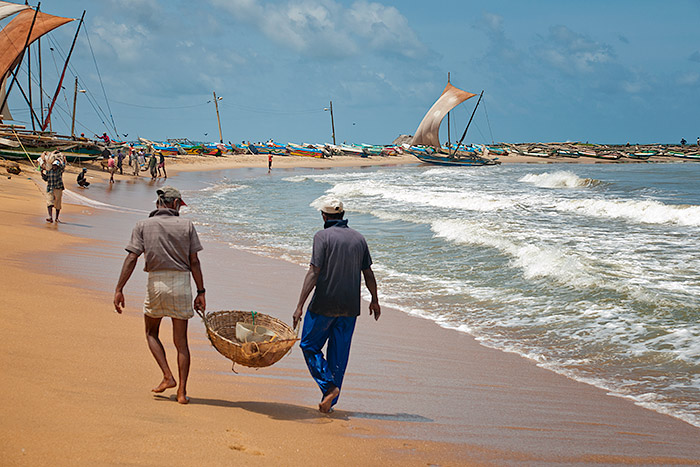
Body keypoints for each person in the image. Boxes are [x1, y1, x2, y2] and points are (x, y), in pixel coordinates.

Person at [113, 186, 205, 405]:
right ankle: (182, 393)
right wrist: (201, 292)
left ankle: (167, 376)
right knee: (181, 343)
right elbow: (194, 262)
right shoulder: (187, 225)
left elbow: (132, 258)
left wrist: (119, 289)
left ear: (158, 204)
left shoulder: (143, 225)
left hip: (156, 282)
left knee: (151, 332)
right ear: (174, 204)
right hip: (182, 283)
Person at [293, 198, 381, 413]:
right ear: (343, 215)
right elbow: (368, 273)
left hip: (324, 304)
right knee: (338, 356)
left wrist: (299, 305)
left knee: (309, 345)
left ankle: (329, 388)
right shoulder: (359, 239)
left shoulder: (322, 237)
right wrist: (375, 300)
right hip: (350, 308)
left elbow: (314, 272)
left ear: (324, 216)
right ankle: (329, 403)